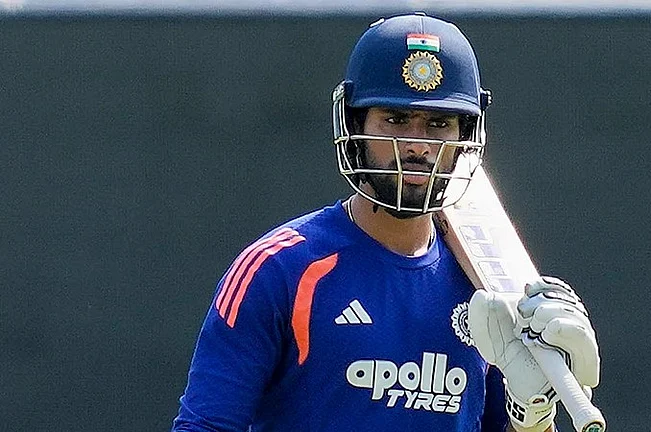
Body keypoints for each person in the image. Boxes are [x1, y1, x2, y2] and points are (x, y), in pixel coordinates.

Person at [172, 12, 600, 432]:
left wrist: (532, 416)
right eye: (395, 120)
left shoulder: (488, 284)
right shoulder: (280, 269)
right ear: (355, 123)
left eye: (439, 124)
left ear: (464, 136)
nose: (417, 145)